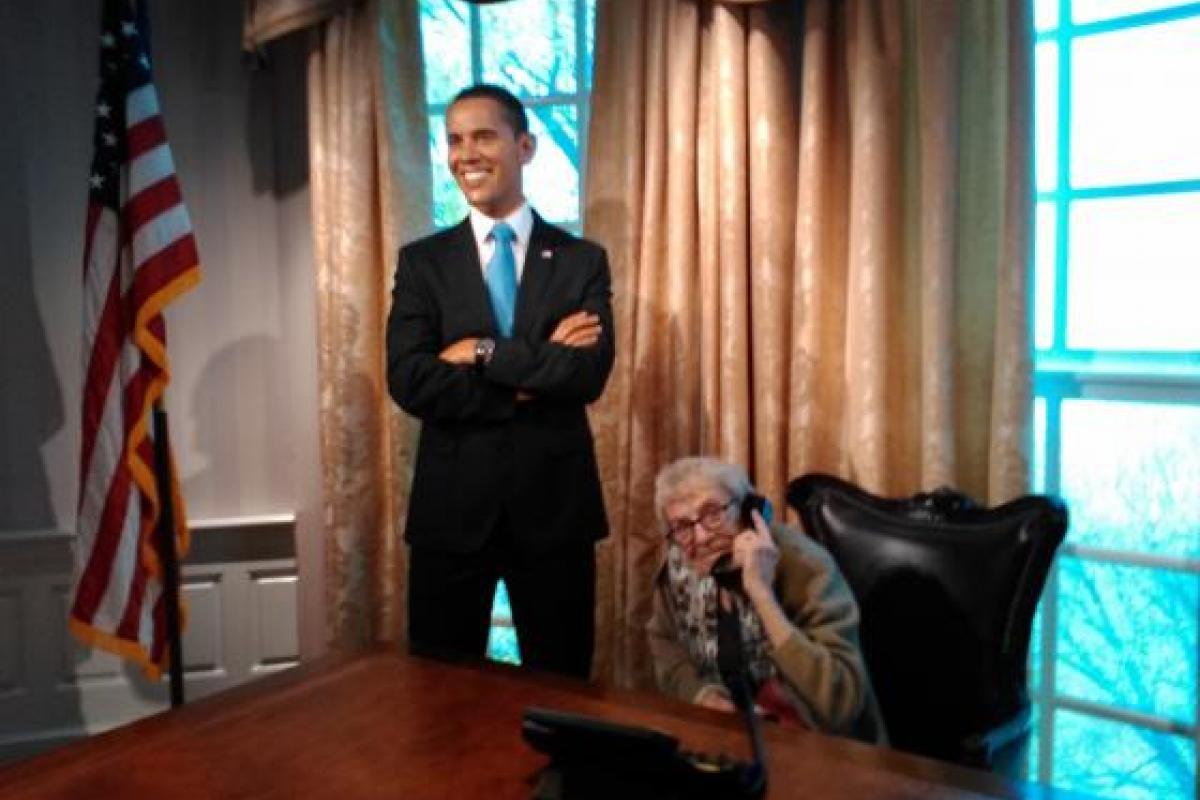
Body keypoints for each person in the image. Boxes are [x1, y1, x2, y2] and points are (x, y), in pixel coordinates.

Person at [385, 84, 614, 679]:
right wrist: (533, 372)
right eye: (454, 140)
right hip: (451, 515)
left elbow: (585, 374)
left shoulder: (581, 260)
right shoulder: (422, 263)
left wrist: (480, 352)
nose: (465, 155)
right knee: (439, 701)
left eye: (483, 136)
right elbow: (410, 380)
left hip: (555, 513)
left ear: (526, 146)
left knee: (564, 690)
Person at [647, 456, 886, 743]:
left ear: (750, 511)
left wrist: (762, 594)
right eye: (682, 526)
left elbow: (839, 704)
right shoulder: (680, 567)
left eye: (713, 514)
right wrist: (701, 695)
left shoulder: (807, 566)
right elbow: (665, 642)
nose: (700, 537)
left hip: (821, 746)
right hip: (730, 738)